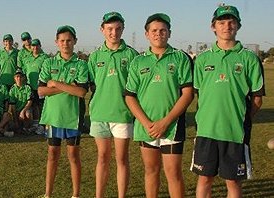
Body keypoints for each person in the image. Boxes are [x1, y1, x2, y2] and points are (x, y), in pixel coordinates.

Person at [190, 5, 264, 197]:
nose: (227, 26)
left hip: (234, 132)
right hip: (206, 130)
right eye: (221, 22)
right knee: (204, 179)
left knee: (233, 181)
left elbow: (257, 98)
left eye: (231, 22)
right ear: (213, 26)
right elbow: (199, 93)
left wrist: (240, 118)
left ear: (238, 25)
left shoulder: (249, 59)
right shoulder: (203, 59)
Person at [125, 13, 193, 197]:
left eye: (163, 30)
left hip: (172, 126)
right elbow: (130, 96)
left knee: (173, 174)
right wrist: (147, 123)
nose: (158, 34)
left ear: (169, 33)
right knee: (151, 171)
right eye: (154, 30)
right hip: (146, 127)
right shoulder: (138, 61)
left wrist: (166, 121)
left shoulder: (180, 58)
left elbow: (188, 94)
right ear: (147, 34)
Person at [87, 12, 138, 198]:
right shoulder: (94, 56)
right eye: (109, 29)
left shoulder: (131, 54)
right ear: (102, 30)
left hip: (123, 114)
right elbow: (93, 84)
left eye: (117, 29)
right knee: (102, 158)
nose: (113, 33)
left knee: (122, 159)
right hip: (99, 114)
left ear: (123, 29)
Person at [38, 25, 88, 198]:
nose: (65, 43)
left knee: (73, 155)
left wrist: (56, 83)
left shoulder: (81, 64)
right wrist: (69, 87)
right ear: (56, 42)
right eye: (62, 40)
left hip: (73, 117)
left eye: (69, 40)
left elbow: (81, 92)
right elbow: (41, 91)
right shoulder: (49, 62)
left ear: (75, 41)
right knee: (52, 155)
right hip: (53, 117)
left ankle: (75, 195)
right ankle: (48, 194)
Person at [22, 38, 49, 132]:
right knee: (33, 106)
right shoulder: (27, 59)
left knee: (42, 106)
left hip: (41, 86)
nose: (35, 47)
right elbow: (24, 72)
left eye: (37, 45)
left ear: (40, 46)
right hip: (30, 86)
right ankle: (36, 124)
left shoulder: (44, 57)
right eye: (33, 45)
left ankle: (43, 124)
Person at [9, 68, 33, 134]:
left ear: (23, 78)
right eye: (17, 77)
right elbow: (12, 106)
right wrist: (16, 120)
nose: (19, 78)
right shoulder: (12, 89)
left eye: (20, 77)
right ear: (14, 78)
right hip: (16, 111)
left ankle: (26, 128)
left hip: (25, 110)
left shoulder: (27, 87)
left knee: (28, 114)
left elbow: (30, 102)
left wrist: (23, 111)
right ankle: (19, 127)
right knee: (13, 126)